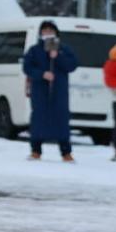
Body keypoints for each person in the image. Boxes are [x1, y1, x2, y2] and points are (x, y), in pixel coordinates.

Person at [22, 20, 76, 162]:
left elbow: (72, 65)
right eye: (45, 31)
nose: (47, 34)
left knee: (61, 120)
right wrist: (41, 74)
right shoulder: (34, 50)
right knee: (39, 119)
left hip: (59, 92)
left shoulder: (63, 49)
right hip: (40, 91)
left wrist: (57, 57)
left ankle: (66, 152)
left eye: (50, 31)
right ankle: (36, 150)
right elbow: (27, 67)